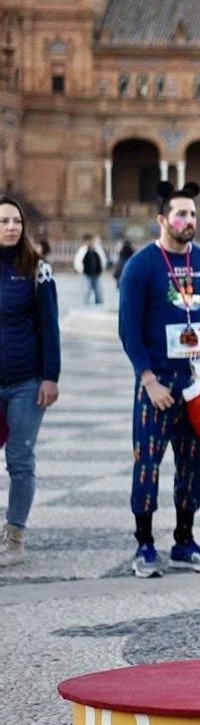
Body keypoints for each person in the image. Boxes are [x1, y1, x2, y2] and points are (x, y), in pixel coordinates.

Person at [117, 184, 200, 577]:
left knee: (191, 466)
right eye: (180, 214)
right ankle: (145, 544)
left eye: (192, 214)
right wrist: (148, 378)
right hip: (159, 383)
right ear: (162, 220)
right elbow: (128, 330)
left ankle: (184, 542)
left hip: (197, 380)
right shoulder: (142, 266)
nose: (189, 221)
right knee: (148, 465)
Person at [0, 198, 61, 568]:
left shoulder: (37, 270)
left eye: (16, 221)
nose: (11, 227)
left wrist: (51, 377)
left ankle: (14, 534)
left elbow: (50, 327)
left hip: (26, 381)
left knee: (20, 459)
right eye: (4, 221)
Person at [73, 233, 107, 306]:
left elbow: (102, 259)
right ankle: (86, 302)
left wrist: (101, 269)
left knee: (98, 290)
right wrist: (81, 270)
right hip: (87, 273)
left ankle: (99, 302)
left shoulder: (97, 249)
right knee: (86, 289)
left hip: (96, 273)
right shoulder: (83, 250)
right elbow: (78, 261)